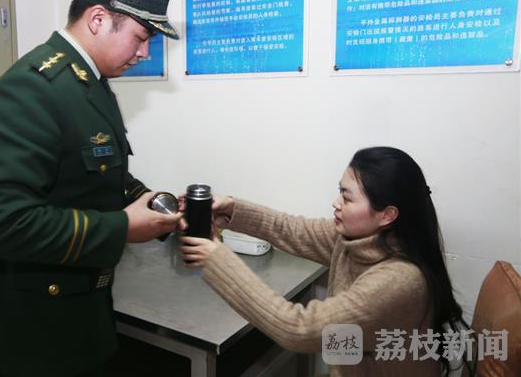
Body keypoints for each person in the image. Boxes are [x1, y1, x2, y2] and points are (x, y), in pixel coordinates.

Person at [0, 0, 193, 377]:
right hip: (33, 329)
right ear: (98, 19)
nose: (144, 53)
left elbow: (100, 170)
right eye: (141, 38)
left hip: (79, 311)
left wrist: (157, 205)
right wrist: (122, 228)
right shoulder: (32, 88)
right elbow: (2, 224)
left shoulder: (88, 81)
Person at [181, 146, 474, 376]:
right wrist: (232, 209)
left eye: (347, 198)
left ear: (387, 215)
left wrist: (217, 259)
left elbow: (298, 329)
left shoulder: (399, 280)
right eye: (339, 192)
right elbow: (291, 229)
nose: (336, 203)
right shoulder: (357, 241)